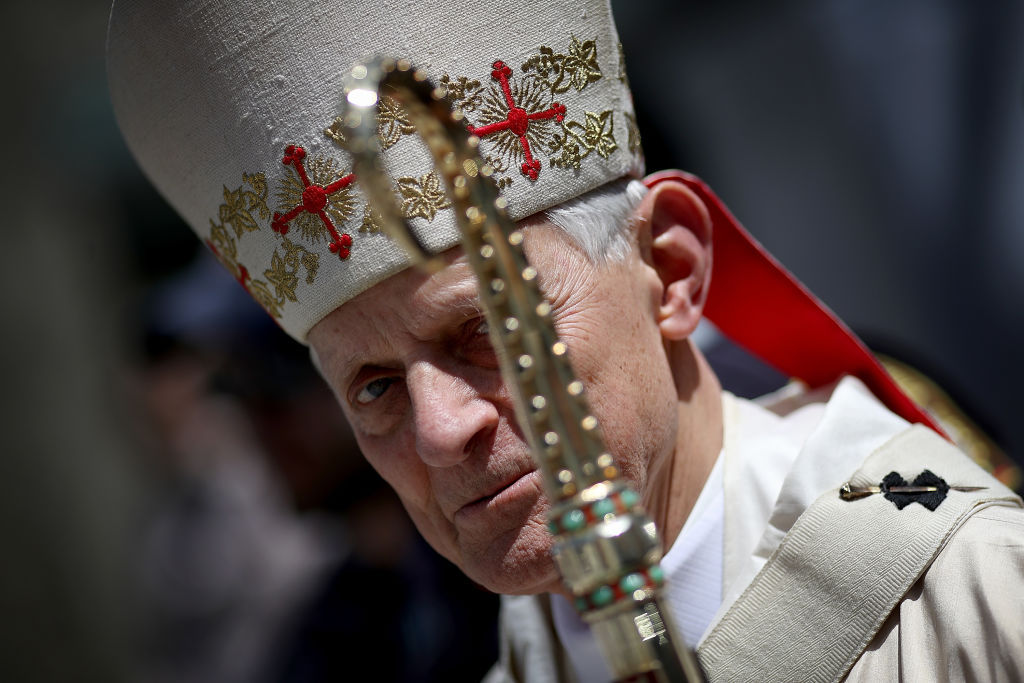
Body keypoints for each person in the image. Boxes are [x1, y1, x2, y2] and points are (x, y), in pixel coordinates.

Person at [107, 1, 1024, 681]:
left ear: (668, 268)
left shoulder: (972, 596)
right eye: (376, 387)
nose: (437, 430)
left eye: (483, 329)